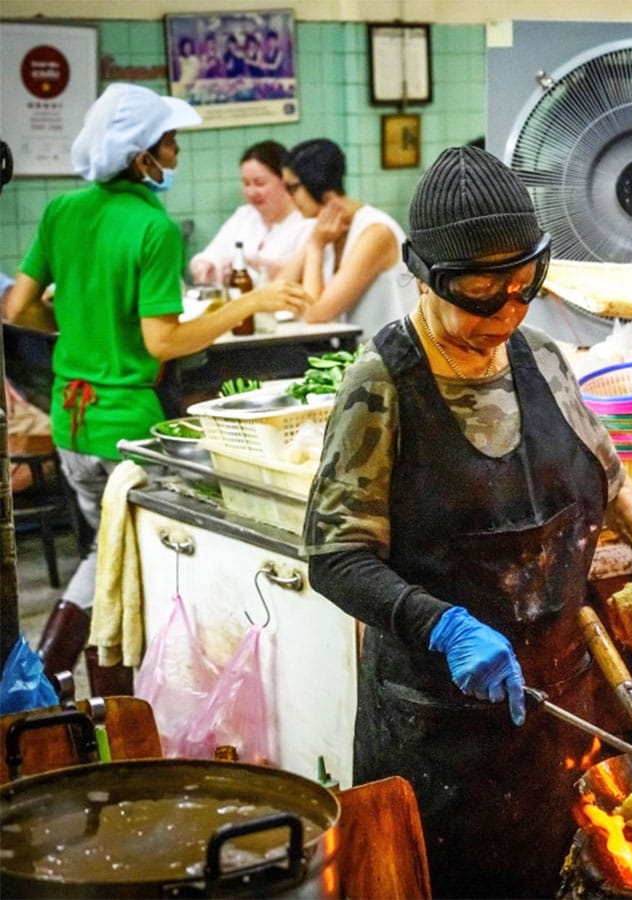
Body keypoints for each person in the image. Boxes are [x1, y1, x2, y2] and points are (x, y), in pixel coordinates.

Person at [301, 144, 632, 897]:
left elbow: (610, 481)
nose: (508, 313)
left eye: (524, 287)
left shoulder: (541, 358)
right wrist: (440, 624)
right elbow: (334, 557)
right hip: (435, 735)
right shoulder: (382, 384)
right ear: (424, 275)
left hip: (560, 721)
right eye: (483, 295)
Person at [4, 83, 311, 693]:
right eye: (167, 143)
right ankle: (68, 681)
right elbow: (163, 342)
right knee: (129, 557)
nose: (174, 154)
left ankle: (81, 688)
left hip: (71, 421)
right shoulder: (151, 226)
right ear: (139, 154)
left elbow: (17, 308)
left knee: (106, 548)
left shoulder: (64, 211)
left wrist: (80, 329)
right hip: (127, 428)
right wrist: (251, 300)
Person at [277, 138, 418, 341]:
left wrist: (316, 247)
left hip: (395, 357)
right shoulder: (325, 227)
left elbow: (315, 313)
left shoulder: (376, 233)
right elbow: (279, 290)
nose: (290, 198)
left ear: (315, 183)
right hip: (360, 355)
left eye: (293, 188)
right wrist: (313, 242)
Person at [188, 140, 312, 286]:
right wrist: (204, 266)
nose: (251, 192)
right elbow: (211, 254)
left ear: (284, 180)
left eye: (260, 183)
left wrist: (257, 263)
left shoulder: (306, 222)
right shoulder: (245, 216)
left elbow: (308, 275)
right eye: (246, 184)